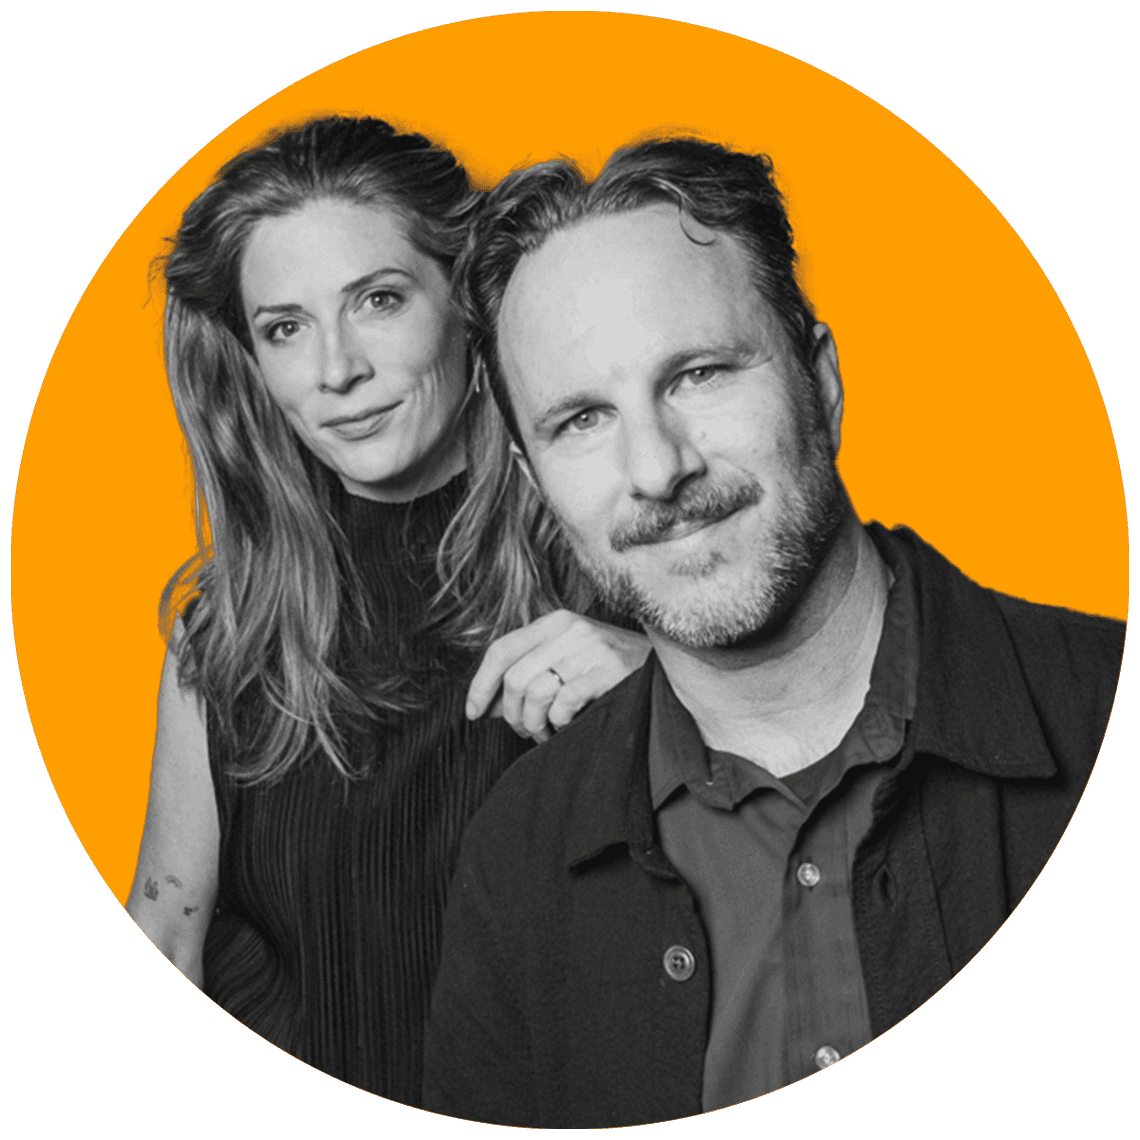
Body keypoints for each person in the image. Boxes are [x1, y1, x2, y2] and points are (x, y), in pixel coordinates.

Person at [422, 138, 1126, 1126]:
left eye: (699, 374)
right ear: (537, 486)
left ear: (820, 383)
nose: (657, 469)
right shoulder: (518, 857)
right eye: (581, 420)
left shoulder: (1107, 715)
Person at [124, 117, 648, 1104]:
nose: (337, 370)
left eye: (377, 300)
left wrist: (671, 689)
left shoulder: (623, 558)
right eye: (285, 327)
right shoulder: (232, 630)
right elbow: (165, 937)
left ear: (465, 299)